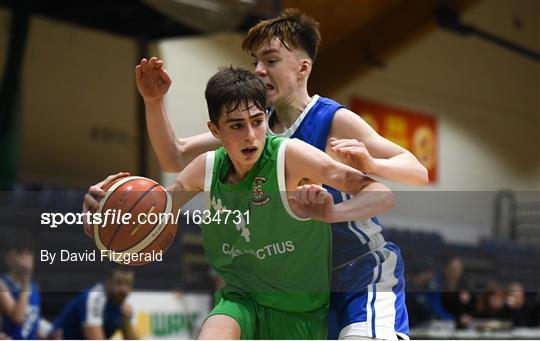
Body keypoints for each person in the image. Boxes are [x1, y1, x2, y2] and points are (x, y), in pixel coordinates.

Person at [126, 9, 428, 339]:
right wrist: (154, 102)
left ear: (302, 67)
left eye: (270, 60)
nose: (258, 69)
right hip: (304, 287)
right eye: (255, 61)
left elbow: (417, 171)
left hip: (358, 270)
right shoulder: (254, 125)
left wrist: (371, 165)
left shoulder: (332, 120)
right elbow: (175, 155)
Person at [86, 67, 394, 339]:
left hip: (301, 312)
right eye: (236, 125)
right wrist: (106, 213)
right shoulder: (206, 168)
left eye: (257, 121)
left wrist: (333, 213)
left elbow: (381, 193)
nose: (250, 135)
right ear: (215, 131)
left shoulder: (291, 156)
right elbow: (150, 216)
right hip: (240, 301)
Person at [50, 267, 138, 340]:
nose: (123, 290)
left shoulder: (124, 306)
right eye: (118, 283)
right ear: (108, 282)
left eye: (128, 284)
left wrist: (126, 321)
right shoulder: (95, 297)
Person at [0, 240, 41, 340]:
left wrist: (50, 333)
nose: (25, 258)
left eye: (28, 253)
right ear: (8, 259)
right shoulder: (3, 284)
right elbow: (18, 318)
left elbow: (33, 322)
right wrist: (25, 284)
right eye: (20, 253)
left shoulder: (35, 287)